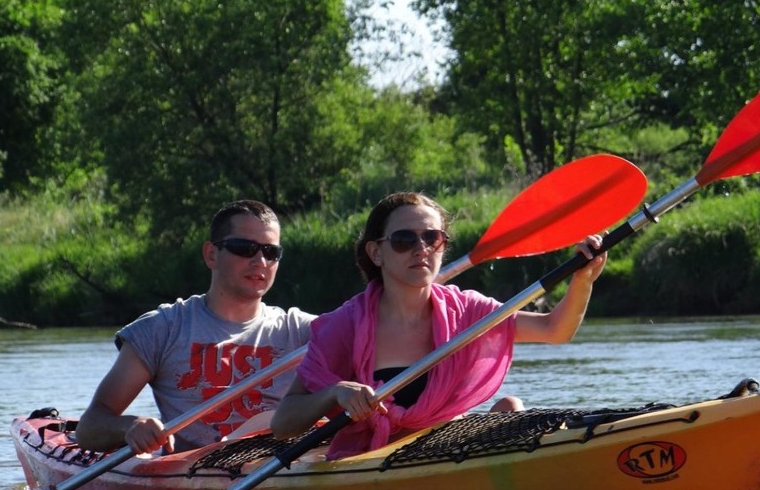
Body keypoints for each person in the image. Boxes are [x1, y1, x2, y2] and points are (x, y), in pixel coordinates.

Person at [271, 192, 606, 459]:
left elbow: (554, 329)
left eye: (432, 238)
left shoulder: (467, 311)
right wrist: (334, 392)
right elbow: (284, 423)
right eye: (404, 240)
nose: (421, 249)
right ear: (376, 252)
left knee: (511, 408)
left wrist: (582, 281)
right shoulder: (344, 325)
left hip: (447, 448)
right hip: (372, 459)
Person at [75, 200, 315, 455]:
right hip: (190, 473)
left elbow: (358, 324)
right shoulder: (162, 329)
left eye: (271, 252)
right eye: (244, 248)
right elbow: (89, 428)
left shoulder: (302, 331)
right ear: (211, 254)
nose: (260, 261)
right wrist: (130, 427)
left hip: (278, 463)